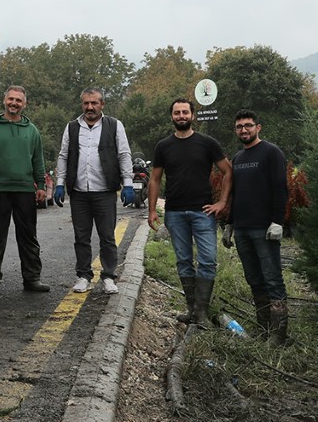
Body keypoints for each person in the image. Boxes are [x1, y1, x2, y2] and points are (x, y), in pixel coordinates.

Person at [147, 97, 232, 325]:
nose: (181, 116)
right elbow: (154, 179)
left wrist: (222, 202)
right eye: (177, 113)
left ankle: (202, 312)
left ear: (192, 115)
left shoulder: (207, 143)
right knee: (184, 261)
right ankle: (192, 310)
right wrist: (152, 210)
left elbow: (228, 171)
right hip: (174, 213)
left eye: (185, 112)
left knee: (208, 260)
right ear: (172, 116)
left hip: (203, 212)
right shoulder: (163, 146)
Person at [54, 88, 134, 294]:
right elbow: (63, 156)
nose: (90, 107)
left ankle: (108, 276)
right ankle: (83, 276)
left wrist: (128, 184)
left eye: (94, 103)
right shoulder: (72, 127)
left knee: (107, 236)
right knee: (81, 237)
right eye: (86, 103)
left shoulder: (114, 126)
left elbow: (124, 154)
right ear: (82, 105)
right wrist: (60, 183)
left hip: (105, 192)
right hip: (79, 192)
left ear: (102, 105)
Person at [0, 86, 51, 294]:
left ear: (24, 104)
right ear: (4, 101)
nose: (14, 103)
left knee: (28, 236)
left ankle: (32, 279)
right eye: (11, 99)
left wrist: (40, 185)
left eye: (19, 100)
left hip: (25, 190)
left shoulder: (32, 130)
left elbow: (38, 160)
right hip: (0, 190)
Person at [227, 110, 290, 344]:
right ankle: (263, 327)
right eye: (239, 126)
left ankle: (278, 334)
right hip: (242, 229)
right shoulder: (238, 158)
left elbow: (280, 188)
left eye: (248, 126)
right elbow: (236, 194)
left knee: (272, 278)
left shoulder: (271, 153)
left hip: (264, 229)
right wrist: (230, 224)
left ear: (258, 127)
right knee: (254, 279)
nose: (244, 130)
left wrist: (277, 221)